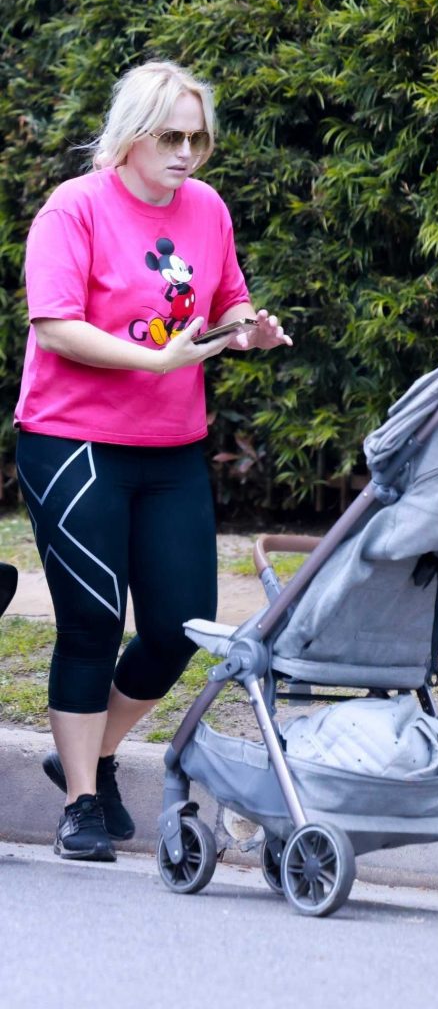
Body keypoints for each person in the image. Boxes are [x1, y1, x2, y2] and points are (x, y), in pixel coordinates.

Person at [13, 60, 292, 863]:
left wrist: (245, 328)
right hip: (74, 444)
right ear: (131, 136)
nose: (186, 153)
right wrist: (158, 363)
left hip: (170, 449)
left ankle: (92, 752)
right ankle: (79, 803)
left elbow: (222, 299)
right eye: (170, 137)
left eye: (197, 138)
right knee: (93, 623)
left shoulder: (205, 208)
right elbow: (55, 325)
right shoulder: (75, 208)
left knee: (175, 631)